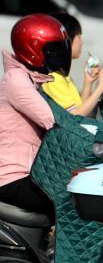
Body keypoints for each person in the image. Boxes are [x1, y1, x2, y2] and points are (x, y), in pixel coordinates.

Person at [0, 14, 71, 219]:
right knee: (79, 201)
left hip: (32, 171)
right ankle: (61, 251)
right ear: (32, 49)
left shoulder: (29, 79)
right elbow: (54, 122)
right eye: (53, 49)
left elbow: (66, 119)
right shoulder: (17, 82)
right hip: (12, 177)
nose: (59, 54)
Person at [42, 12, 103, 116]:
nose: (82, 42)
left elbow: (80, 111)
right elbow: (77, 116)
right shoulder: (52, 78)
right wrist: (102, 85)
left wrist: (88, 83)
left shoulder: (61, 75)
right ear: (66, 39)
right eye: (79, 36)